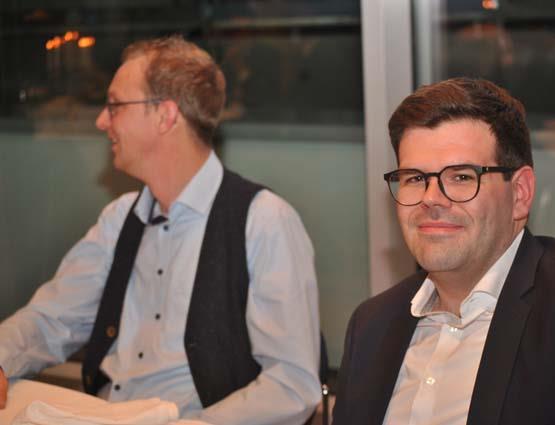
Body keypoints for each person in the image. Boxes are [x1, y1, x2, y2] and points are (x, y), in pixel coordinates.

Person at [0, 35, 321, 424]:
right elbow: (50, 320)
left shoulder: (264, 221)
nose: (101, 121)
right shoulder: (120, 218)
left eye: (115, 106)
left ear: (165, 116)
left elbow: (292, 384)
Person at [332, 77, 555, 425]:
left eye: (461, 177)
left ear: (520, 193)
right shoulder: (371, 326)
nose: (431, 199)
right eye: (415, 178)